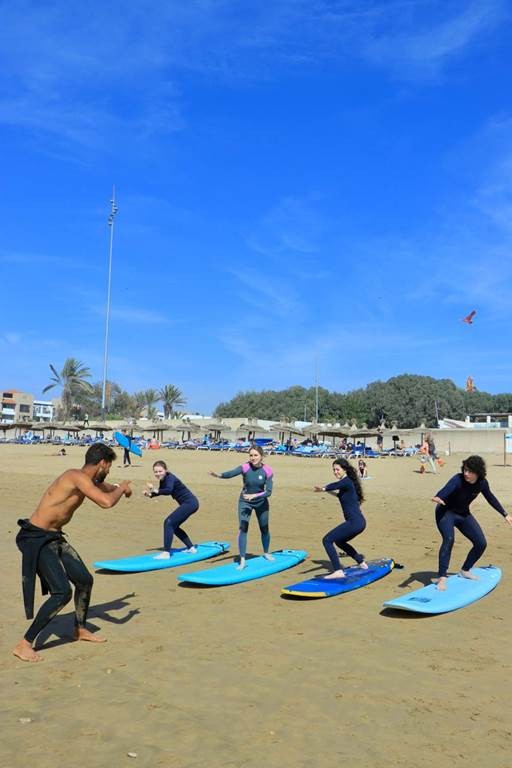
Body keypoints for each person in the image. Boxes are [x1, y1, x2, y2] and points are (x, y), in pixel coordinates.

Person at [13, 443, 132, 663]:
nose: (109, 470)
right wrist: (121, 487)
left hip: (52, 537)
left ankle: (79, 629)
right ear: (102, 463)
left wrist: (120, 487)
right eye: (109, 466)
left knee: (84, 580)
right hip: (35, 538)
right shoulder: (75, 476)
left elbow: (105, 488)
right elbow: (106, 501)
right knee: (62, 593)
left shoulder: (86, 480)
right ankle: (24, 644)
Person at [431, 455, 512, 591]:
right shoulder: (458, 479)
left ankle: (465, 570)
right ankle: (442, 577)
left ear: (478, 472)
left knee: (481, 543)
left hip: (463, 514)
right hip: (446, 513)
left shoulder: (482, 483)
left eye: (470, 471)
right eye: (465, 470)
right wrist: (438, 497)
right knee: (449, 539)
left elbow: (490, 498)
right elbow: (447, 489)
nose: (466, 473)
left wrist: (505, 514)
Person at [210, 445, 273, 570]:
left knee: (264, 529)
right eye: (251, 455)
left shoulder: (268, 470)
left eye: (255, 455)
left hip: (261, 502)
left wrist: (255, 495)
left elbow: (269, 492)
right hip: (245, 502)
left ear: (261, 456)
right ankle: (243, 560)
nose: (253, 458)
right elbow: (231, 473)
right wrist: (219, 475)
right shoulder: (245, 467)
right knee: (243, 528)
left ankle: (266, 552)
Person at [314, 458, 367, 579]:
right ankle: (361, 562)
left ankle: (338, 570)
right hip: (359, 522)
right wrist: (325, 491)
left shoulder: (346, 481)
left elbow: (336, 485)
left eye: (337, 469)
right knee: (340, 541)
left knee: (327, 540)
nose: (335, 472)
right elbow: (339, 494)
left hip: (354, 522)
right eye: (333, 470)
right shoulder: (347, 485)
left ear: (345, 470)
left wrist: (324, 488)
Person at [143, 460, 199, 559]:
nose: (158, 474)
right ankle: (191, 548)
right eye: (156, 472)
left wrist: (153, 489)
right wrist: (150, 495)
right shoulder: (163, 480)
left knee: (168, 522)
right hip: (189, 504)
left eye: (160, 471)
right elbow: (161, 491)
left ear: (166, 470)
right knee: (174, 526)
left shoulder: (170, 478)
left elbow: (169, 490)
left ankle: (166, 553)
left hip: (190, 503)